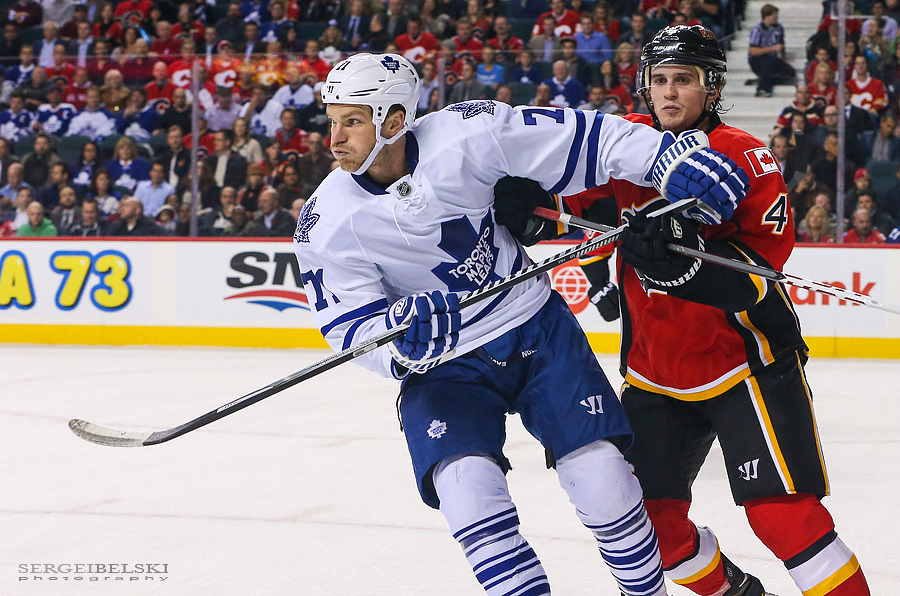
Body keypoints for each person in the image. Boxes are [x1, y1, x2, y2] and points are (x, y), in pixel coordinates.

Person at [294, 52, 751, 596]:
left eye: (352, 120)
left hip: (534, 328)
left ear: (394, 121)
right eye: (332, 121)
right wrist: (399, 339)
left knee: (605, 481)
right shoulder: (325, 220)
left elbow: (585, 138)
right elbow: (348, 325)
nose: (334, 138)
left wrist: (665, 158)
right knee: (467, 493)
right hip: (445, 367)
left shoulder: (470, 131)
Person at [493, 26, 869, 596]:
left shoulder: (747, 157)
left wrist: (684, 266)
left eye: (684, 81)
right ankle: (735, 592)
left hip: (747, 366)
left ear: (712, 87)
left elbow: (760, 278)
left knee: (783, 519)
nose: (669, 93)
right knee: (648, 528)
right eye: (660, 80)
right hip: (655, 374)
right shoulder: (626, 144)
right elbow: (569, 208)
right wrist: (529, 208)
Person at [748, 4, 795, 97]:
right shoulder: (757, 30)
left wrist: (783, 57)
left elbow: (781, 45)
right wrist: (772, 49)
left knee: (790, 73)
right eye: (774, 16)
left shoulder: (779, 28)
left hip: (773, 59)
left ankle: (763, 79)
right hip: (757, 60)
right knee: (769, 59)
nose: (776, 18)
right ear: (766, 16)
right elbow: (753, 51)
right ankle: (763, 89)